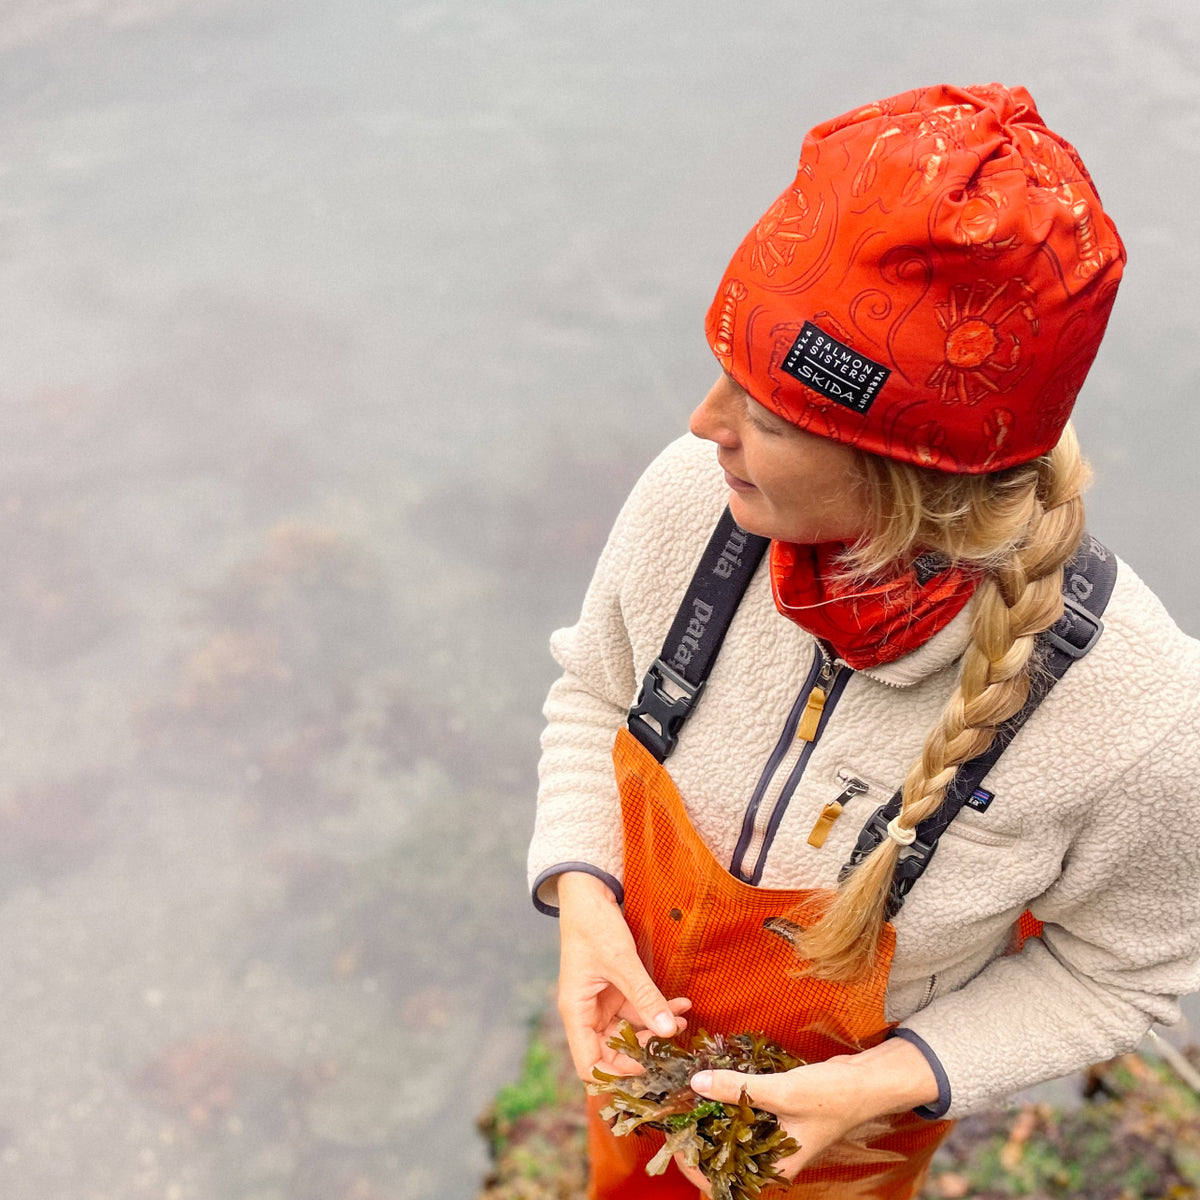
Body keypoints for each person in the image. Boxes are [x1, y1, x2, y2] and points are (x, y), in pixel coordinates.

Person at [527, 82, 1200, 1199]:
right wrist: (583, 895)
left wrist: (872, 1087)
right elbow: (597, 694)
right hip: (643, 1063)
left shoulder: (1142, 715)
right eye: (725, 374)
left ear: (907, 473)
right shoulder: (695, 499)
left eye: (766, 414)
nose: (703, 425)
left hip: (853, 1147)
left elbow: (1119, 975)